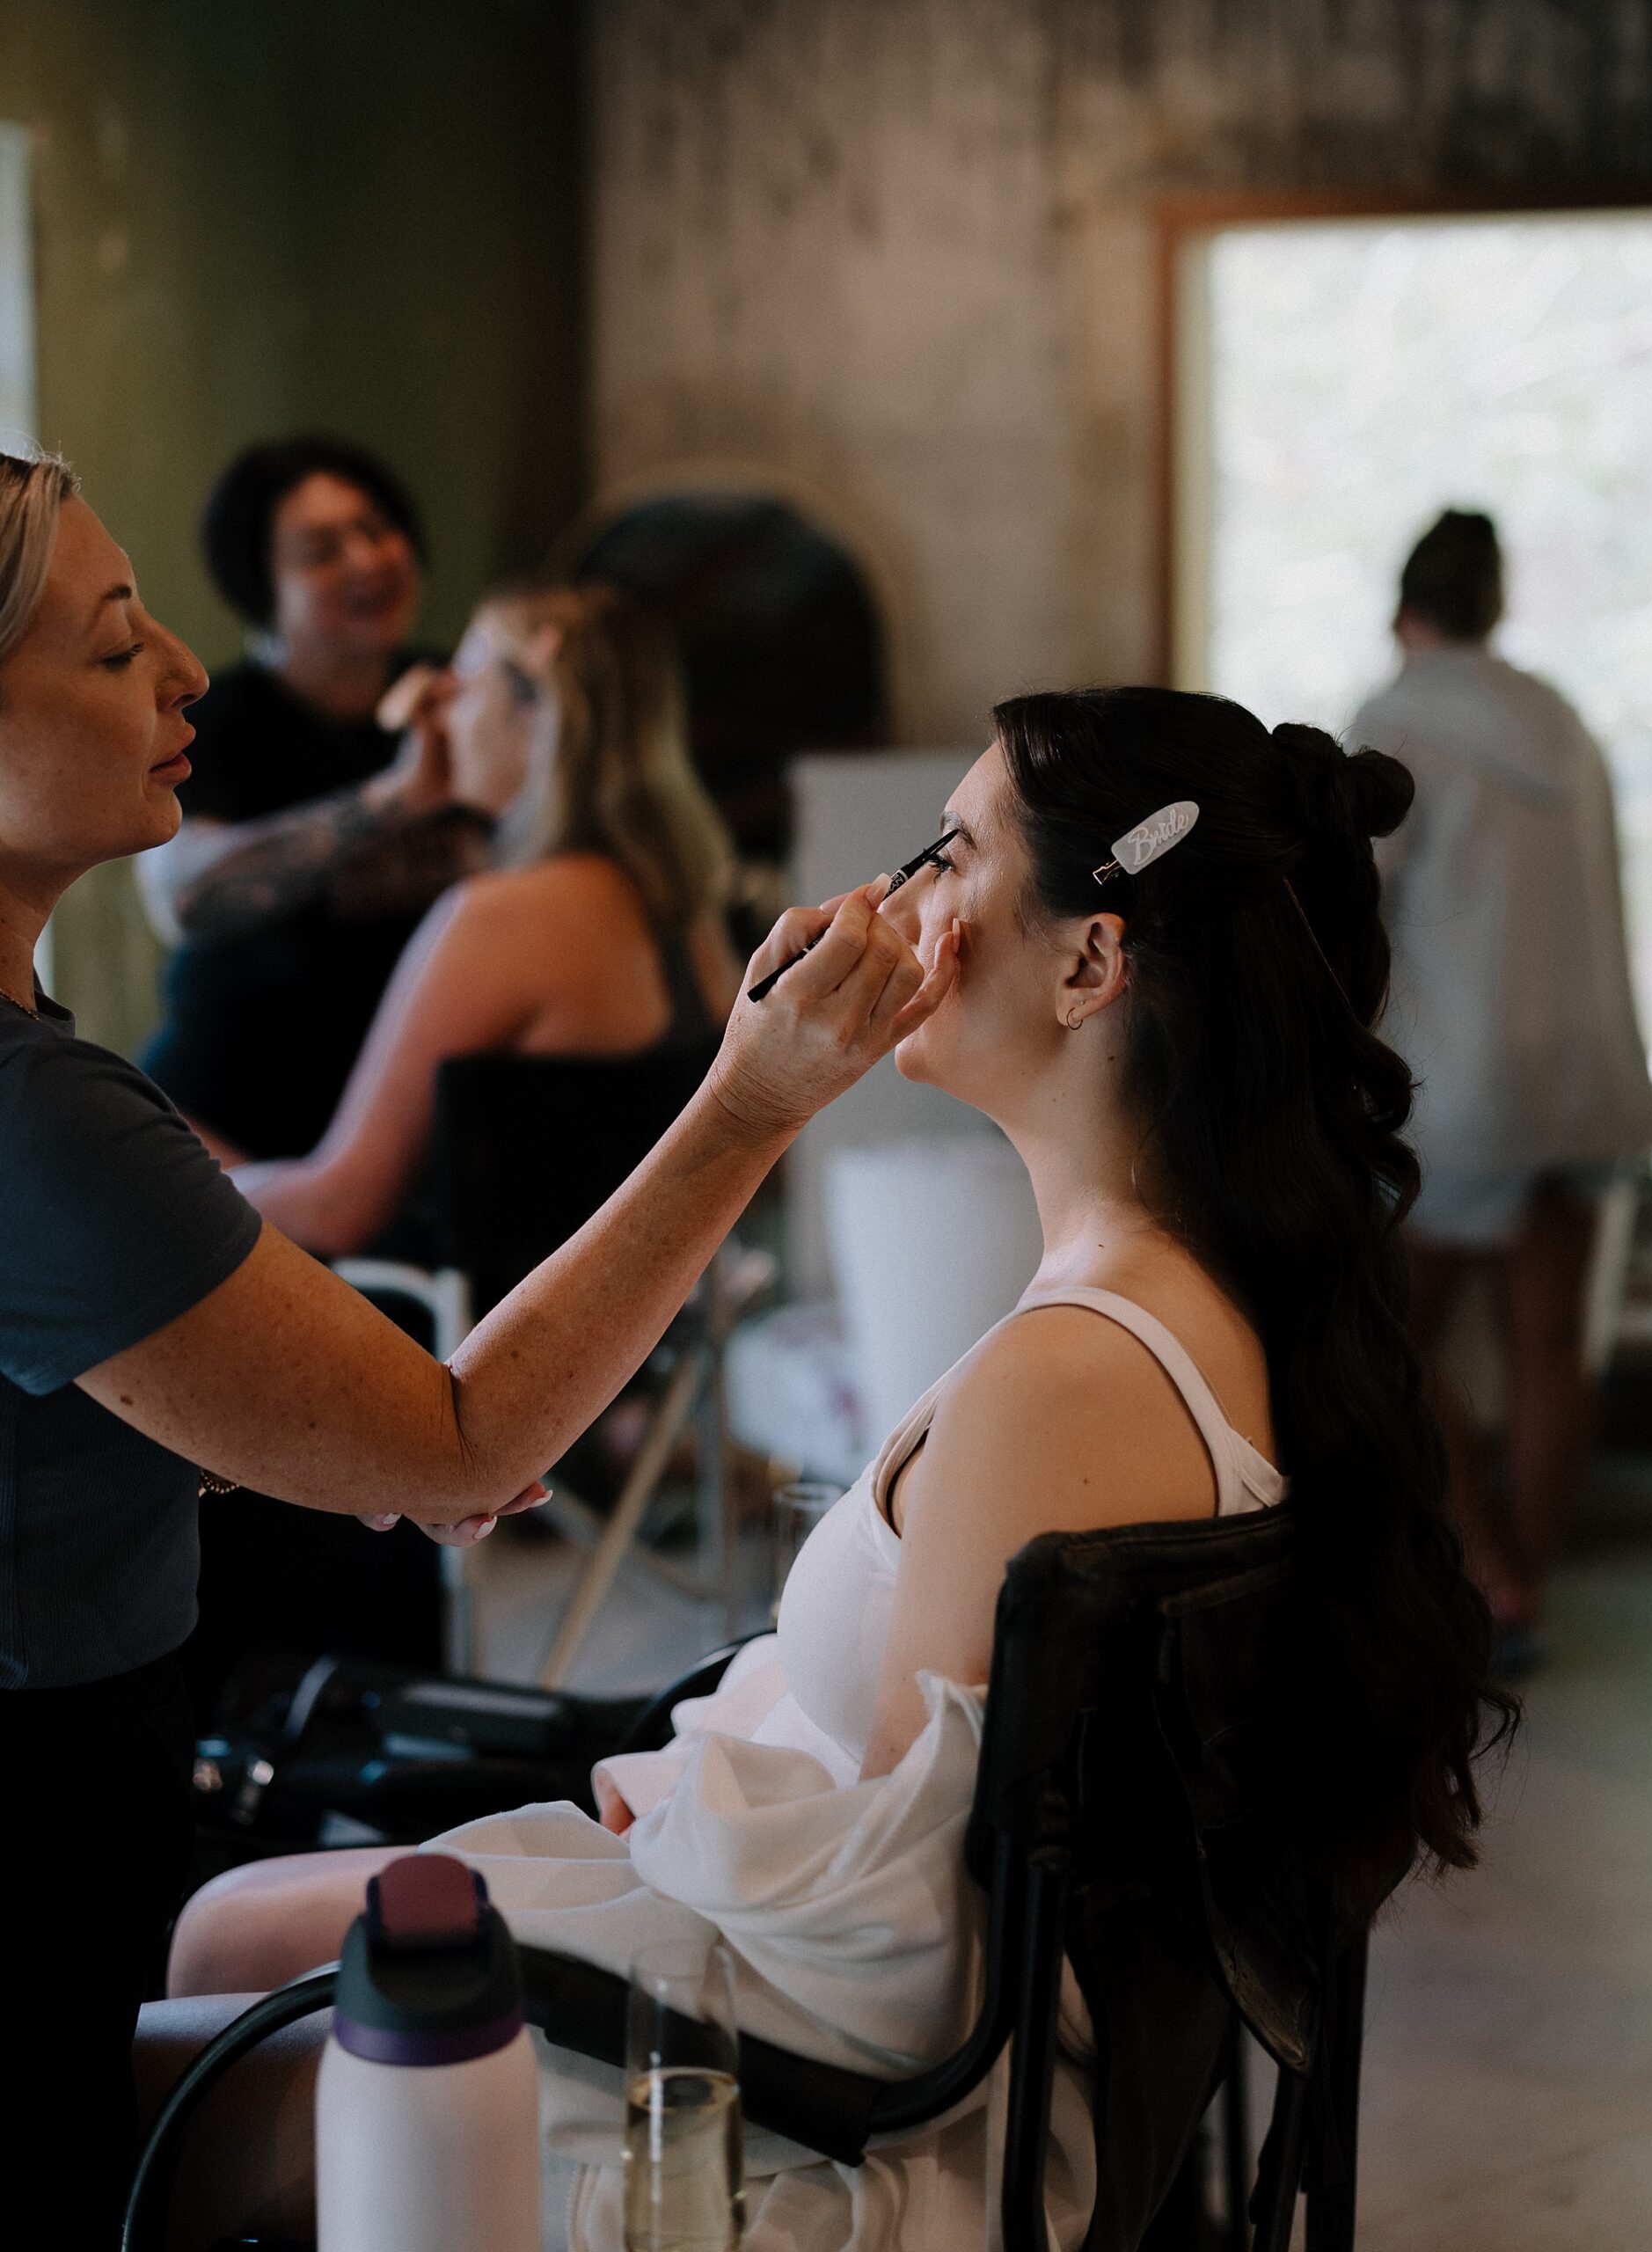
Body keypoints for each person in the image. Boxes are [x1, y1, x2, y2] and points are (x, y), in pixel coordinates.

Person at [163, 689, 1506, 2248]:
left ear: (1090, 959)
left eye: (947, 851)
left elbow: (889, 1956)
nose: (884, 903)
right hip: (876, 2034)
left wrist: (670, 1830)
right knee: (230, 1931)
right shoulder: (1182, 1302)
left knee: (191, 2016)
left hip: (868, 2132)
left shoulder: (1064, 1382)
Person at [0, 450, 952, 2247]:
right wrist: (747, 1106)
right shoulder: (38, 1120)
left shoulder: (68, 1091)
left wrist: (290, 1404)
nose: (192, 675)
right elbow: (448, 1434)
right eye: (119, 646)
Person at [1350, 510, 1652, 1663]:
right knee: (1546, 1347)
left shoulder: (1396, 724)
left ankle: (1481, 1571)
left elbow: (1352, 905)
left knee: (1380, 1324)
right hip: (1587, 1078)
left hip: (1463, 1092)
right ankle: (1524, 1578)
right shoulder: (1561, 719)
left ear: (1403, 613)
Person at [232, 581, 742, 1255]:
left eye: (464, 685)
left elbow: (338, 1207)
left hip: (461, 1339)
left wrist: (170, 1181)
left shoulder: (503, 917)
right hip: (635, 1333)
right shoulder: (682, 906)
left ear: (536, 712)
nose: (438, 715)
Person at [138, 435, 487, 1159]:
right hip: (231, 1138)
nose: (366, 560)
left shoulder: (463, 693)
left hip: (416, 1145)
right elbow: (187, 899)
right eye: (322, 550)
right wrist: (393, 799)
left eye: (377, 529)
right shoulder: (214, 721)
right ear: (264, 588)